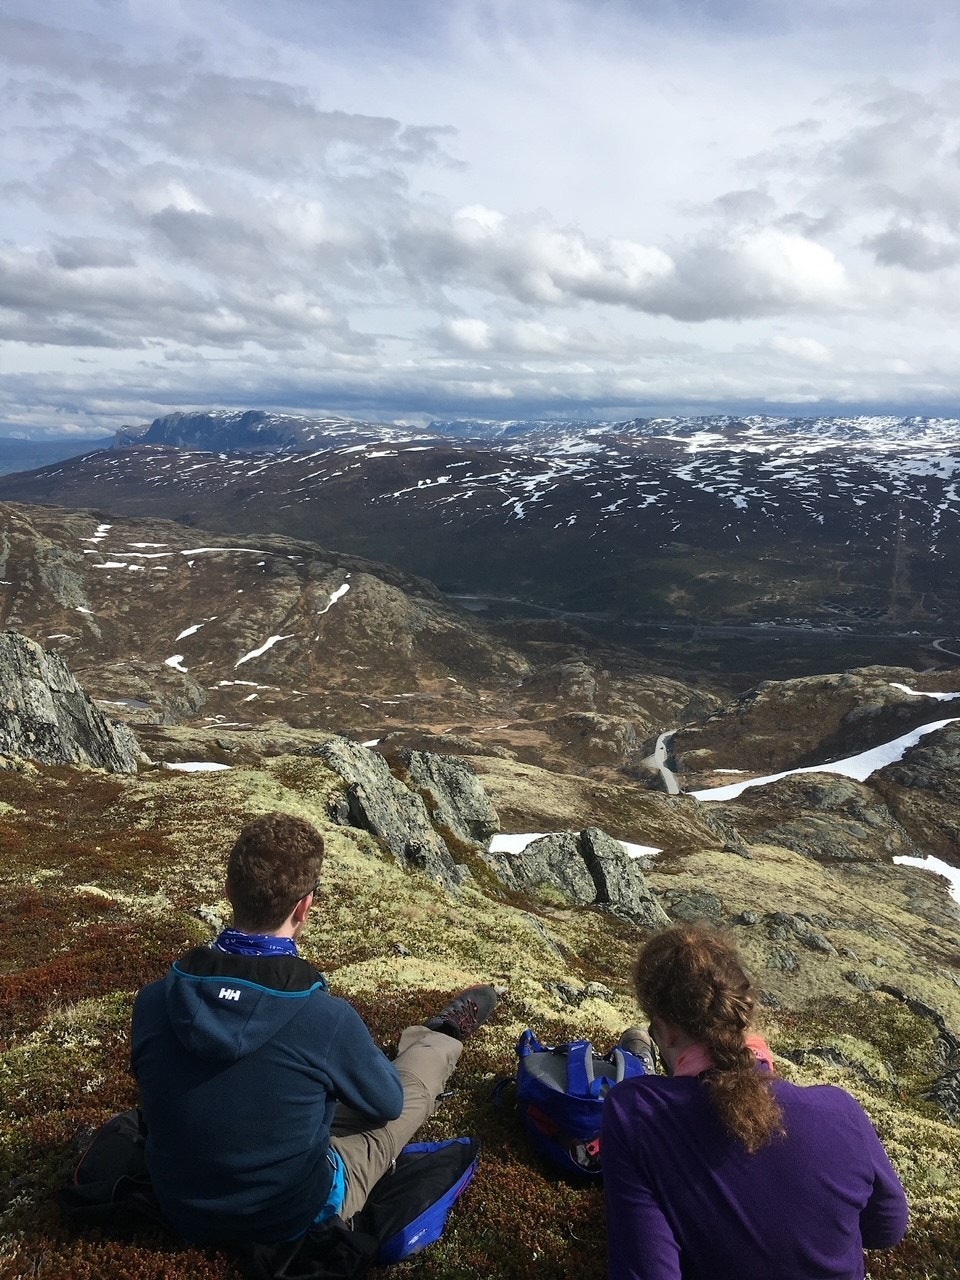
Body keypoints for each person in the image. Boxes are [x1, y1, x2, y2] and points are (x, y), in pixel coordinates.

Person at [130, 811, 498, 1245]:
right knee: (409, 1090)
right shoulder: (324, 1017)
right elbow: (387, 1104)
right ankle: (441, 1036)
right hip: (292, 1216)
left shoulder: (154, 1000)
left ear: (228, 891)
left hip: (181, 1209)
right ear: (304, 906)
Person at [602, 924, 908, 1280]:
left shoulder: (636, 1113)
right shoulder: (841, 1111)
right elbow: (887, 1228)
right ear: (742, 1012)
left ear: (665, 1030)